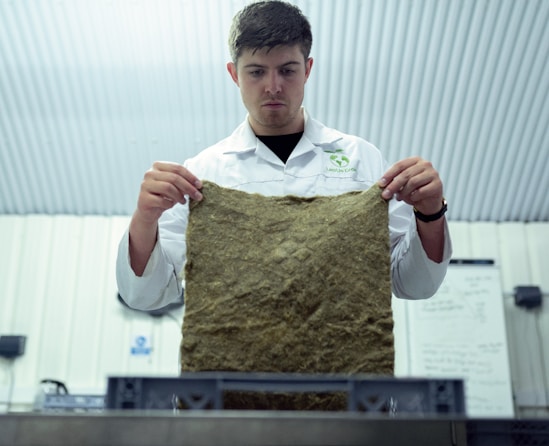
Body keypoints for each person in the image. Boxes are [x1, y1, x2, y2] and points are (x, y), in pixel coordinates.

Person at [116, 0, 452, 311]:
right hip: (230, 370)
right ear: (234, 74)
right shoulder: (203, 172)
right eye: (257, 71)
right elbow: (145, 295)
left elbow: (413, 284)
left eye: (287, 70)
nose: (273, 86)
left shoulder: (361, 159)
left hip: (338, 367)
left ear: (307, 69)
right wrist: (145, 219)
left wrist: (430, 213)